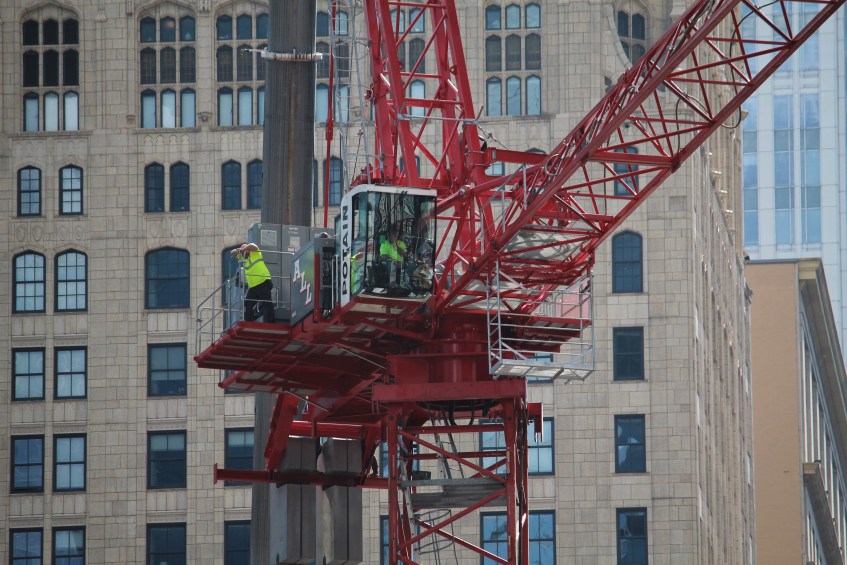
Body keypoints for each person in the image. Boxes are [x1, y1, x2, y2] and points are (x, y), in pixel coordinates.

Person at [231, 242, 275, 323]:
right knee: (248, 304)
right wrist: (239, 250)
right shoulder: (243, 257)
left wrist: (244, 249)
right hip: (253, 287)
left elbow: (253, 245)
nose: (245, 251)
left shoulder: (255, 253)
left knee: (266, 303)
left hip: (263, 281)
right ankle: (249, 322)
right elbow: (232, 252)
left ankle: (270, 322)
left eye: (246, 249)